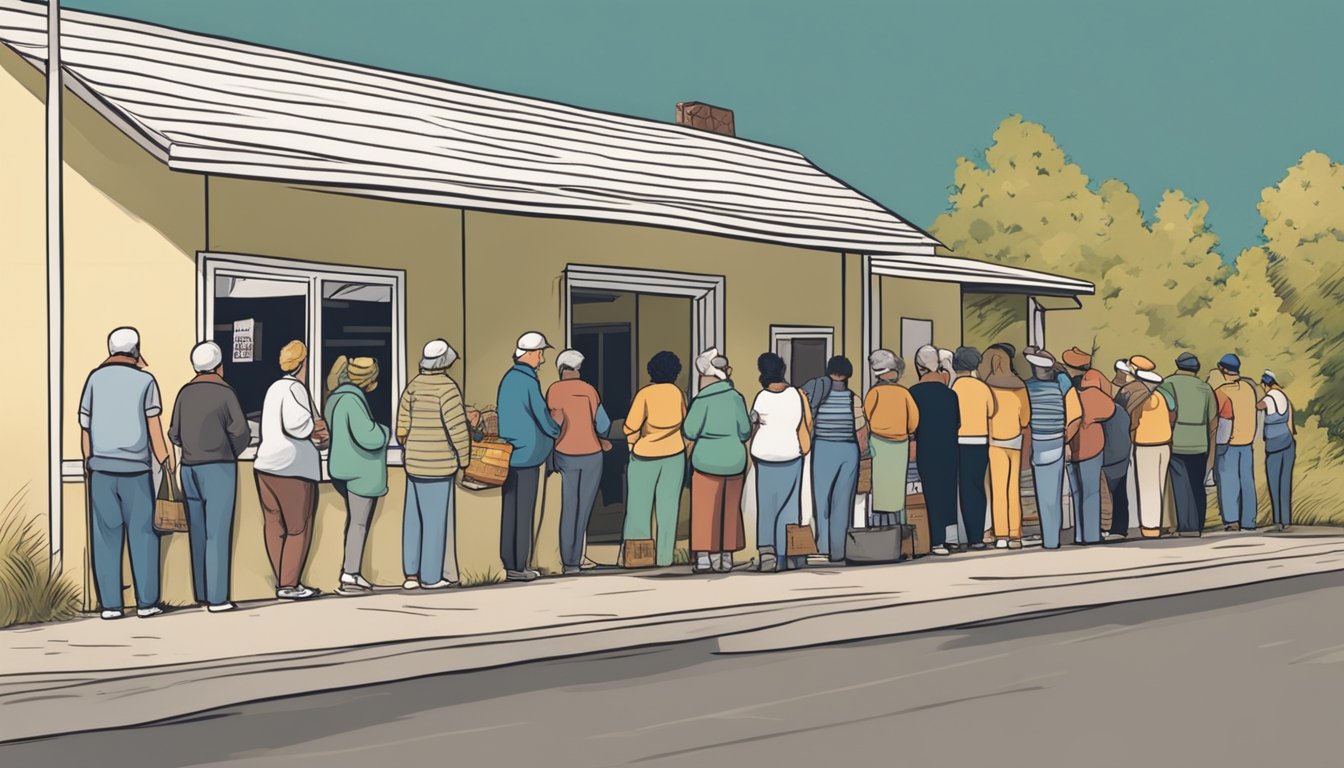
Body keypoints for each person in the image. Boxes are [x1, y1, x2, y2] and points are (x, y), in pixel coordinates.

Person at [79, 327, 170, 619]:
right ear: (136, 350)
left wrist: (88, 462)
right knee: (143, 536)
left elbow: (85, 427)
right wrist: (165, 460)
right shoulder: (146, 381)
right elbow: (153, 425)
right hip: (137, 471)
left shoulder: (94, 378)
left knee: (105, 537)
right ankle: (146, 603)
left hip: (101, 470)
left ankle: (110, 606)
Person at [169, 341, 251, 612]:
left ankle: (202, 593)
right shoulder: (225, 392)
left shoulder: (184, 393)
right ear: (219, 367)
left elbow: (174, 434)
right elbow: (241, 432)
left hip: (189, 467)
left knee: (198, 532)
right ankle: (217, 599)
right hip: (218, 467)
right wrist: (230, 450)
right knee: (217, 533)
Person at [397, 339, 472, 590]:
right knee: (435, 522)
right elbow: (457, 429)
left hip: (414, 463)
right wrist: (464, 459)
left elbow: (401, 428)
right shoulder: (447, 388)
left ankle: (410, 575)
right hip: (439, 465)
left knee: (413, 521)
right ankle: (430, 577)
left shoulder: (413, 387)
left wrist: (413, 446)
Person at [254, 340, 326, 600]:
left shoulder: (273, 388)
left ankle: (282, 578)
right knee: (298, 527)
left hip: (265, 467)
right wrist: (316, 425)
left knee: (274, 525)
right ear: (302, 363)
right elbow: (298, 425)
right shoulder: (296, 388)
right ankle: (289, 584)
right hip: (292, 469)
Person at [497, 332, 562, 581]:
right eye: (540, 353)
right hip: (529, 455)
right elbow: (541, 414)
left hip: (510, 454)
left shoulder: (508, 379)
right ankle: (520, 567)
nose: (542, 359)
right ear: (529, 354)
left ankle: (509, 562)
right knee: (524, 512)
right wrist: (556, 426)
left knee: (510, 511)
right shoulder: (528, 381)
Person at [324, 356, 391, 593]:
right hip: (359, 471)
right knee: (359, 523)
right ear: (369, 380)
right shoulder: (352, 401)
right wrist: (384, 431)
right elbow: (369, 437)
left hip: (342, 468)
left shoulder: (336, 398)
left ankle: (351, 571)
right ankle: (350, 574)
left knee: (354, 522)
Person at [683, 349, 752, 573]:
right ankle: (725, 558)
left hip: (706, 462)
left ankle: (704, 557)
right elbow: (745, 432)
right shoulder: (737, 398)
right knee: (730, 510)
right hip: (734, 460)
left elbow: (690, 430)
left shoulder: (701, 400)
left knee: (705, 510)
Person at [546, 349, 612, 575]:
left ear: (561, 369)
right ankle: (577, 557)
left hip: (565, 453)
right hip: (592, 454)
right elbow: (603, 424)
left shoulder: (553, 390)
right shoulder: (589, 391)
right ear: (578, 370)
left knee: (569, 507)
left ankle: (569, 563)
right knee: (583, 509)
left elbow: (552, 424)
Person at [623, 351, 689, 568]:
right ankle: (664, 557)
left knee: (638, 508)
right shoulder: (677, 393)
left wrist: (632, 444)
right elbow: (685, 424)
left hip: (644, 455)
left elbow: (631, 426)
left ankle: (639, 557)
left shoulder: (645, 394)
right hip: (674, 455)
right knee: (668, 509)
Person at [802, 356, 869, 562]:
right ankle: (839, 551)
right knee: (842, 502)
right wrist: (864, 453)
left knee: (821, 500)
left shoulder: (818, 395)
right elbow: (861, 432)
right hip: (848, 451)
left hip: (822, 448)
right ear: (848, 374)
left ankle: (822, 547)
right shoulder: (854, 398)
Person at [750, 352, 813, 571]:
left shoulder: (761, 397)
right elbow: (808, 423)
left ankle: (767, 554)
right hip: (791, 454)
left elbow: (753, 424)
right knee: (788, 506)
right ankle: (787, 555)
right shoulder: (797, 394)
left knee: (766, 506)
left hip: (765, 456)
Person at [1023, 347, 1081, 549]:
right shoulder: (1063, 383)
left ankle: (1051, 540)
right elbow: (1075, 415)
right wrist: (1067, 440)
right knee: (1052, 495)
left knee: (1046, 495)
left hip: (1040, 442)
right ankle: (1051, 539)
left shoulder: (1027, 386)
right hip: (1056, 440)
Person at [1157, 352, 1218, 537]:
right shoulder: (1206, 388)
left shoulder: (1167, 384)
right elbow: (1213, 422)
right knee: (1197, 485)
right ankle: (1197, 525)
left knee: (1180, 485)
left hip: (1176, 442)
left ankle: (1186, 527)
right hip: (1200, 443)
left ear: (1178, 364)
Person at [910, 346, 960, 555]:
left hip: (926, 448)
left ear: (919, 367)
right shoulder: (950, 395)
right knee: (948, 490)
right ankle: (952, 537)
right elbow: (957, 423)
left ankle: (937, 539)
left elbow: (912, 425)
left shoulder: (913, 393)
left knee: (931, 492)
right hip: (949, 448)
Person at [863, 350, 919, 527]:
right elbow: (913, 420)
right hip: (900, 444)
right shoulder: (904, 393)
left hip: (878, 443)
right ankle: (898, 527)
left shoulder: (874, 393)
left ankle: (879, 526)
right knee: (897, 489)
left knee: (879, 489)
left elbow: (866, 418)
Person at [984, 345, 1030, 549]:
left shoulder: (988, 386)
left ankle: (1001, 535)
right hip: (1015, 442)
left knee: (998, 490)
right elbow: (1026, 417)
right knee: (1013, 489)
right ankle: (1015, 535)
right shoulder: (1019, 386)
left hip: (994, 442)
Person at [1066, 369, 1115, 545]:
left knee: (1077, 493)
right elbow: (1109, 408)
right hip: (1092, 449)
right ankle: (1092, 535)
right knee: (1091, 493)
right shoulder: (1092, 397)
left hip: (1070, 450)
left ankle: (1080, 535)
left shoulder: (1068, 398)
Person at [1124, 356, 1172, 538]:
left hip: (1146, 445)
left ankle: (1150, 528)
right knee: (1159, 486)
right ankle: (1157, 524)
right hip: (1164, 444)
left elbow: (1133, 422)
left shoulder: (1141, 397)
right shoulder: (1161, 396)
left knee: (1148, 487)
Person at [951, 347, 992, 550]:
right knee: (977, 489)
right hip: (980, 442)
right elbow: (992, 410)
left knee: (962, 490)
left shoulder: (954, 388)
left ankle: (960, 535)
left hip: (959, 442)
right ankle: (977, 537)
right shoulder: (983, 388)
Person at [1212, 354, 1259, 532]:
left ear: (1221, 369)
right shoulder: (1248, 387)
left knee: (1228, 481)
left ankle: (1232, 520)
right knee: (1247, 480)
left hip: (1229, 442)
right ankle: (1249, 520)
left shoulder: (1220, 392)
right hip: (1247, 441)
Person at [1101, 359, 1135, 541]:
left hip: (1108, 456)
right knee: (1120, 492)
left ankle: (1108, 525)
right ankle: (1120, 527)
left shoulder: (1106, 410)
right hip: (1121, 455)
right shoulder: (1123, 411)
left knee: (1107, 492)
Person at [1258, 371, 1297, 532]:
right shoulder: (1285, 398)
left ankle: (1278, 520)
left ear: (1265, 384)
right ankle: (1286, 519)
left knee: (1274, 482)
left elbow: (1257, 406)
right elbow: (1291, 424)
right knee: (1285, 481)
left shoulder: (1268, 398)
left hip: (1274, 443)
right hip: (1288, 441)